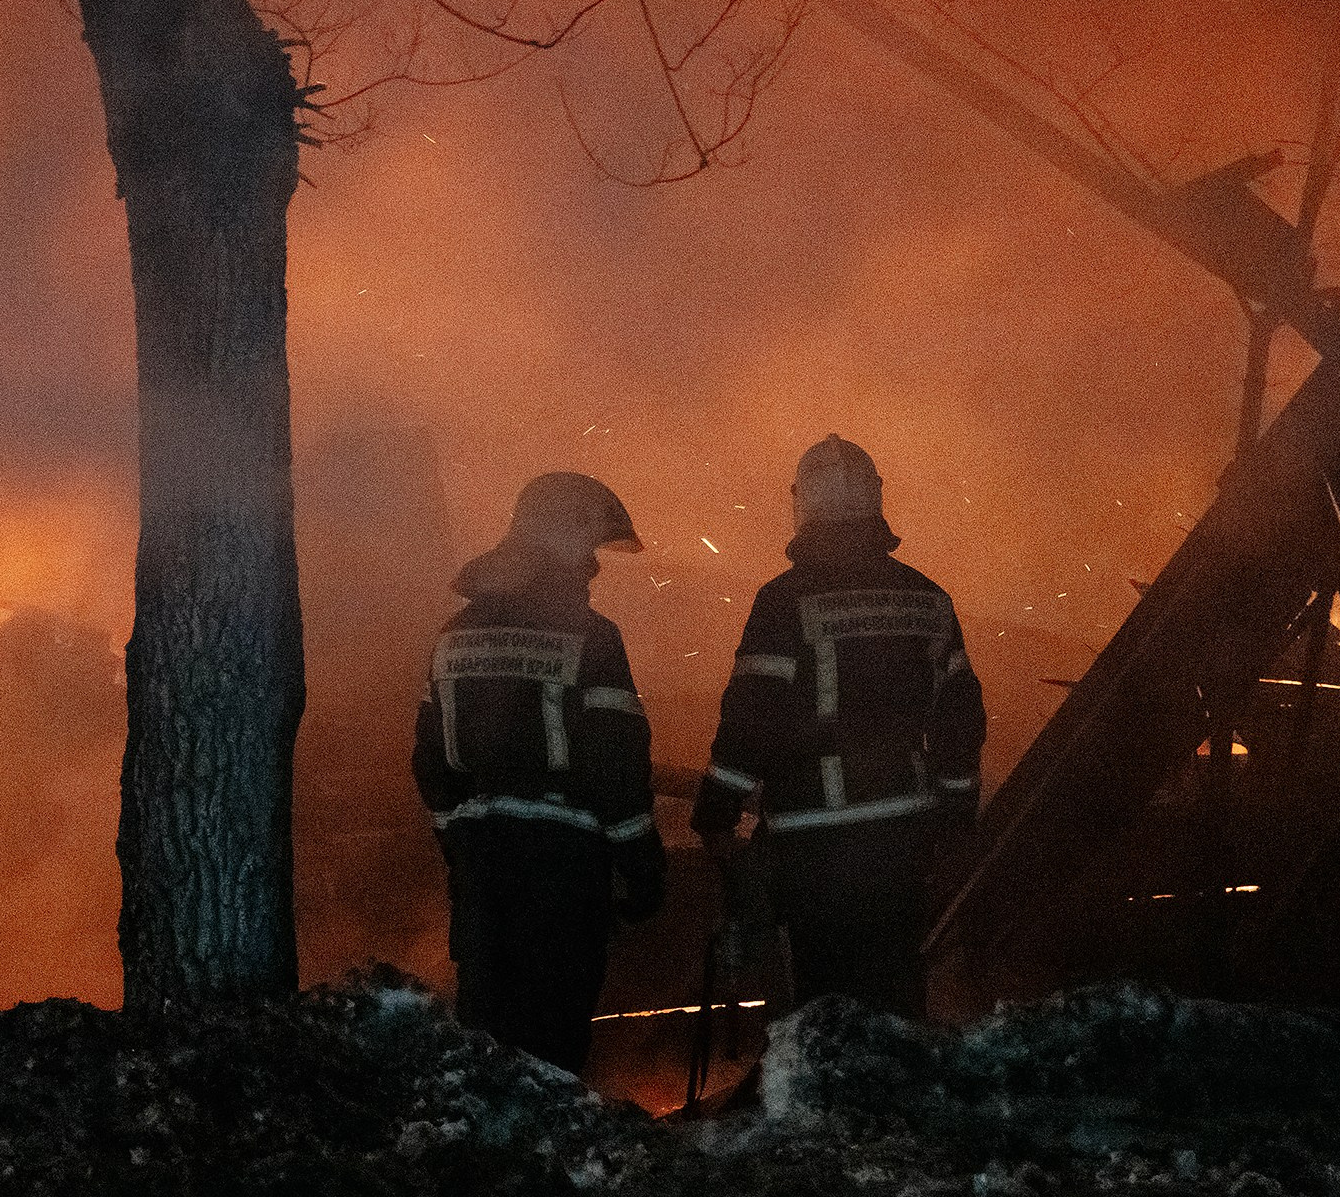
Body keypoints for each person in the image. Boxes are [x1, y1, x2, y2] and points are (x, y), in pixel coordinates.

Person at [690, 435, 985, 1019]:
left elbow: (750, 717)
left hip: (814, 845)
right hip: (905, 837)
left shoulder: (782, 602)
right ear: (876, 502)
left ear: (802, 505)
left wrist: (715, 814)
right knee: (898, 997)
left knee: (828, 1013)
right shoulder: (926, 597)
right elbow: (960, 719)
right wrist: (955, 815)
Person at [413, 472, 664, 1073]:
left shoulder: (456, 634)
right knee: (553, 1046)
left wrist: (458, 843)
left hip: (481, 873)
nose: (595, 570)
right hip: (563, 870)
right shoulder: (592, 638)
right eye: (592, 552)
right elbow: (616, 762)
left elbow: (429, 760)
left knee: (487, 1042)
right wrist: (642, 865)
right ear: (568, 545)